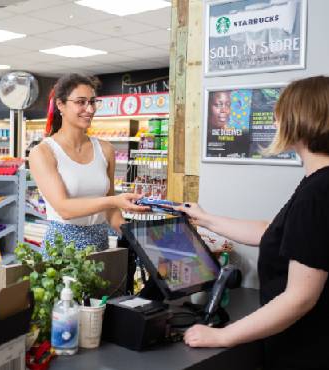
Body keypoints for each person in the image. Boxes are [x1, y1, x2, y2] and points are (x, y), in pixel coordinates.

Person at [175, 76, 329, 370]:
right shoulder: (316, 183)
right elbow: (272, 232)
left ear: (299, 120)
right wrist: (205, 218)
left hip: (308, 348)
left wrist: (222, 336)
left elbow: (300, 298)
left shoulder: (318, 193)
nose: (275, 122)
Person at [29, 73, 146, 253]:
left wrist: (135, 236)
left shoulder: (105, 150)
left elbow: (111, 211)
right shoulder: (43, 152)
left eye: (92, 102)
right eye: (81, 102)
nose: (90, 109)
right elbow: (64, 209)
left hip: (100, 244)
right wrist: (114, 200)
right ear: (61, 104)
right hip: (62, 249)